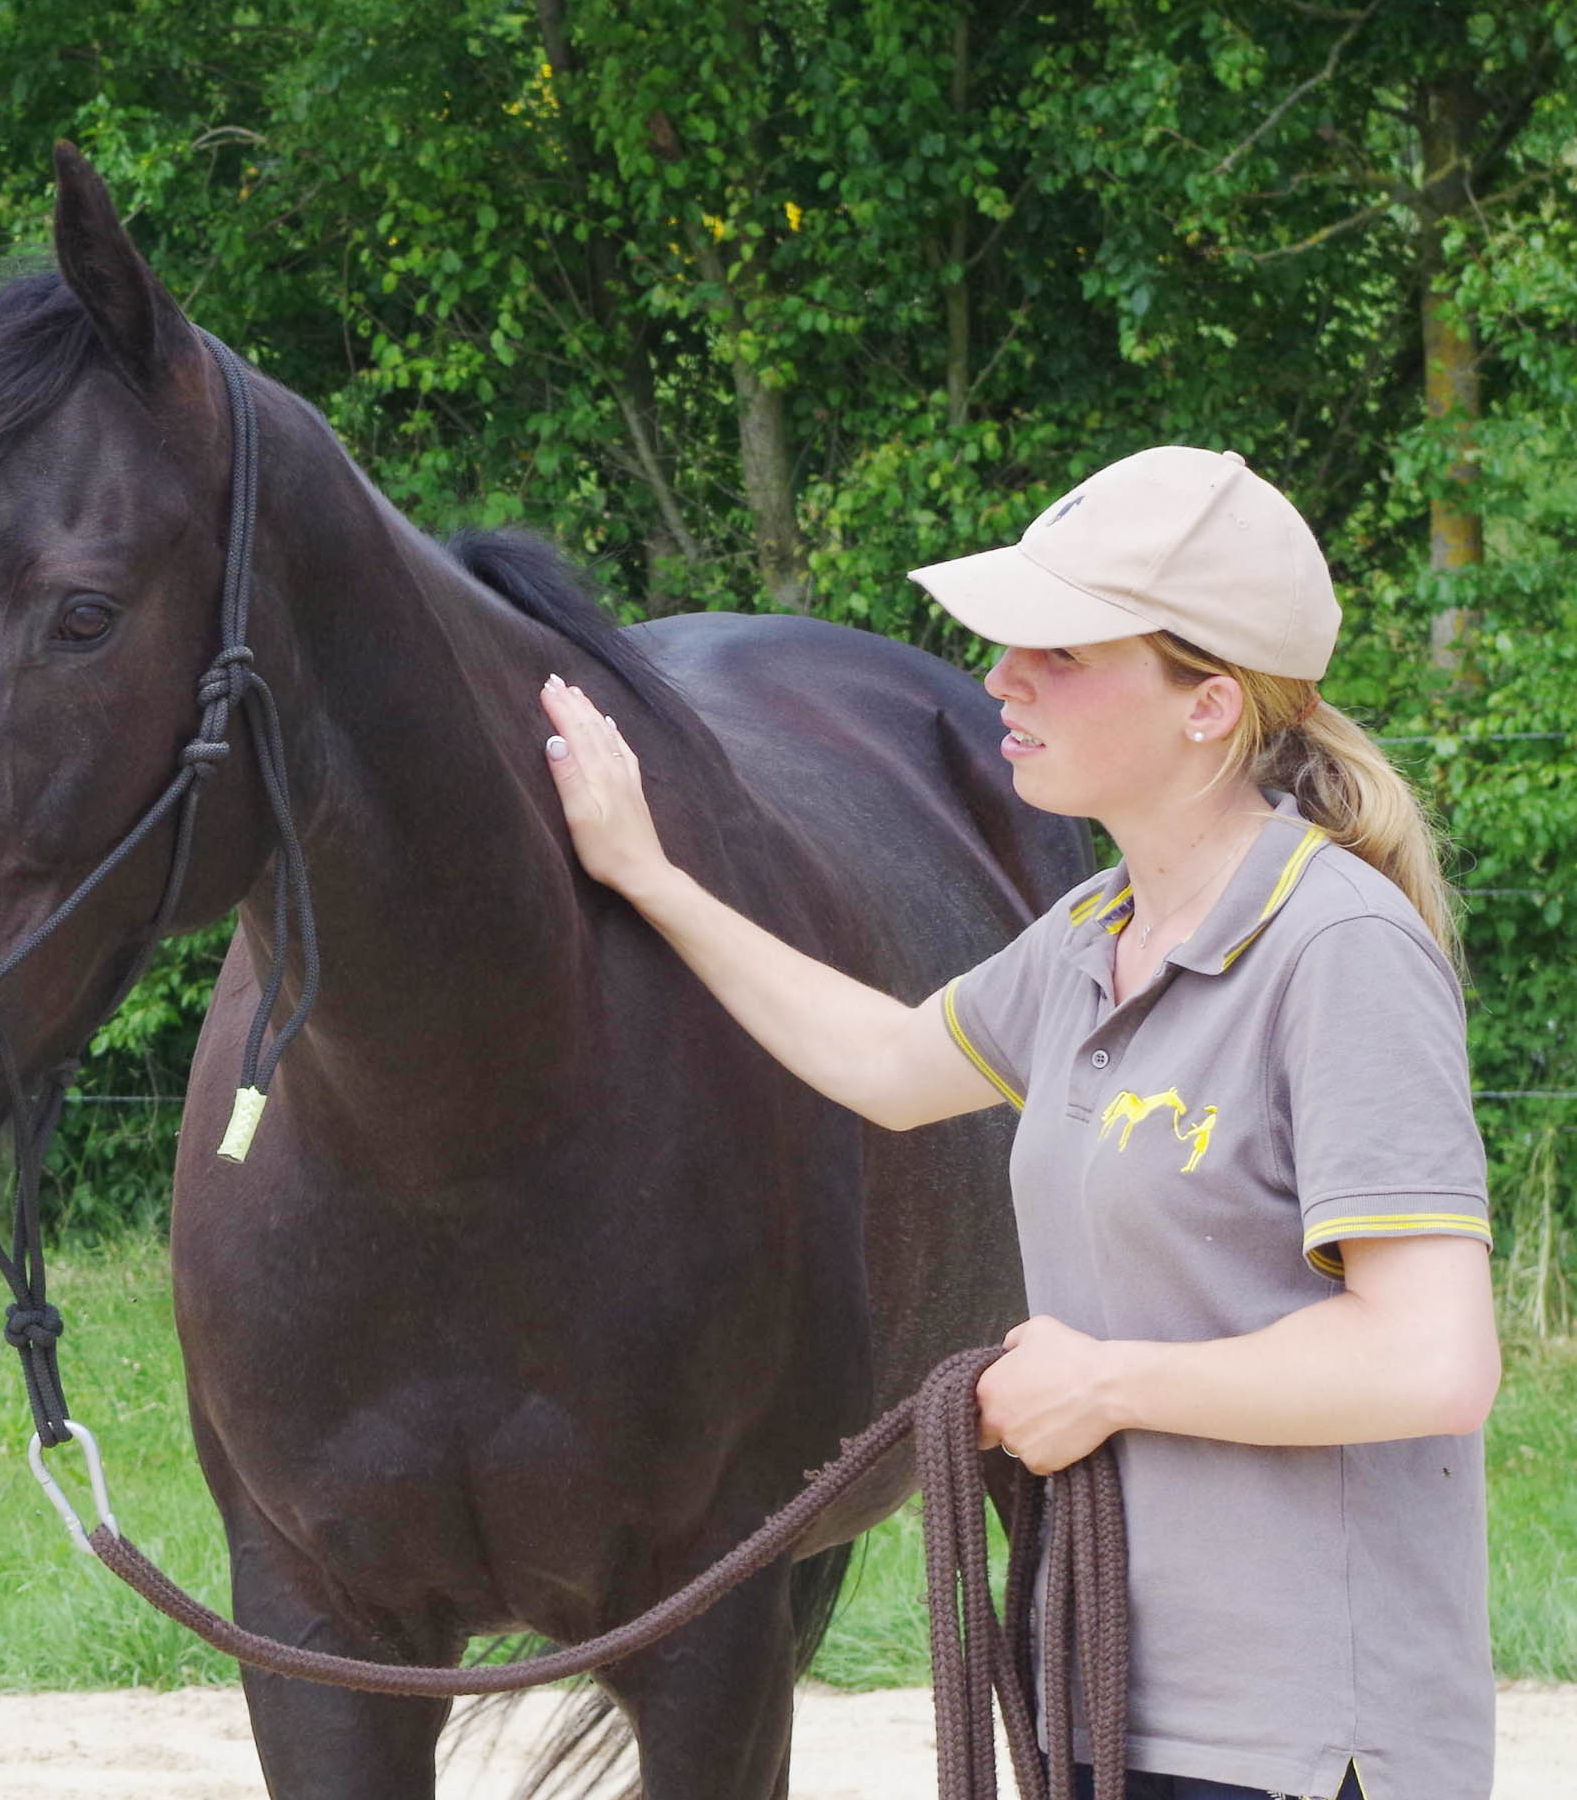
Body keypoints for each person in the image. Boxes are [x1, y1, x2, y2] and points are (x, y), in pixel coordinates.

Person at [536, 447, 1499, 1800]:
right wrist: (646, 873)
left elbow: (1427, 1356)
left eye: (1057, 650)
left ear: (1206, 704)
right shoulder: (1091, 936)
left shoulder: (1336, 949)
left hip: (1294, 1735)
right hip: (1106, 1688)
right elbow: (878, 1057)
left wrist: (1106, 1382)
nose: (1000, 679)